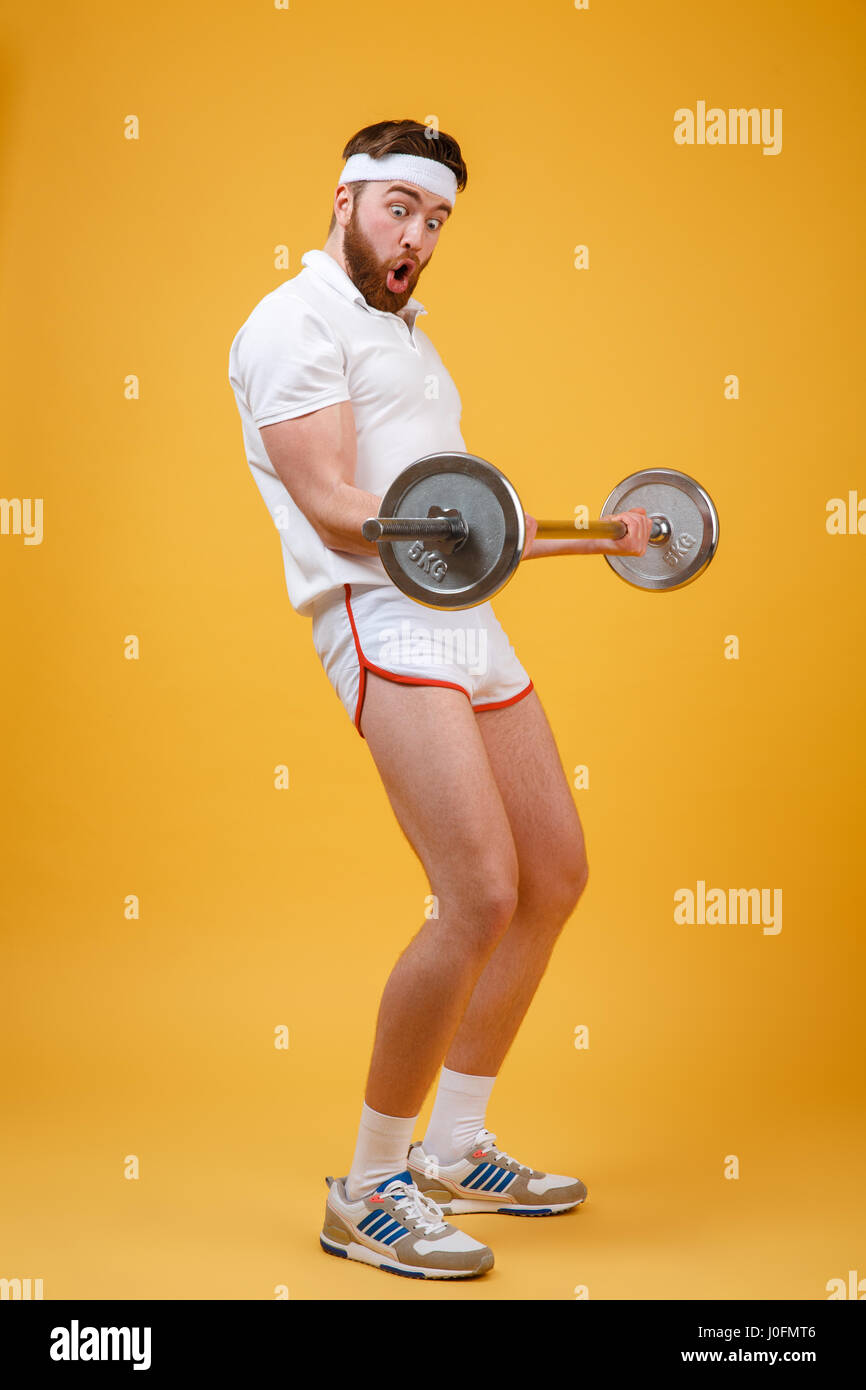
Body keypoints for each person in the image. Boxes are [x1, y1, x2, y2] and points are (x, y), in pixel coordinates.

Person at [228, 119, 651, 1281]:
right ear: (346, 198)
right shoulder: (293, 321)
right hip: (379, 614)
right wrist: (485, 528)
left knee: (552, 874)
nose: (415, 236)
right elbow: (329, 504)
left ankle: (456, 1146)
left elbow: (469, 527)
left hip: (464, 617)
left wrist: (594, 536)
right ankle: (367, 1187)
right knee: (475, 891)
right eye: (397, 209)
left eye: (435, 219)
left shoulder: (405, 335)